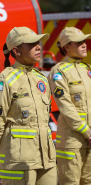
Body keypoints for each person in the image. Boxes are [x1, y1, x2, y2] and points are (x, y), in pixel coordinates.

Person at [0, 27, 57, 185]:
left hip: (46, 159)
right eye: (32, 44)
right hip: (18, 161)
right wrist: (3, 155)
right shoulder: (5, 80)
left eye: (38, 43)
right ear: (16, 51)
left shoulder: (41, 79)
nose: (38, 46)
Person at [48, 27, 91, 185]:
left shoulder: (87, 69)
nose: (84, 45)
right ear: (66, 47)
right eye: (79, 43)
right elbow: (65, 106)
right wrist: (87, 132)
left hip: (90, 137)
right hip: (72, 140)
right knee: (70, 182)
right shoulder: (58, 72)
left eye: (84, 41)